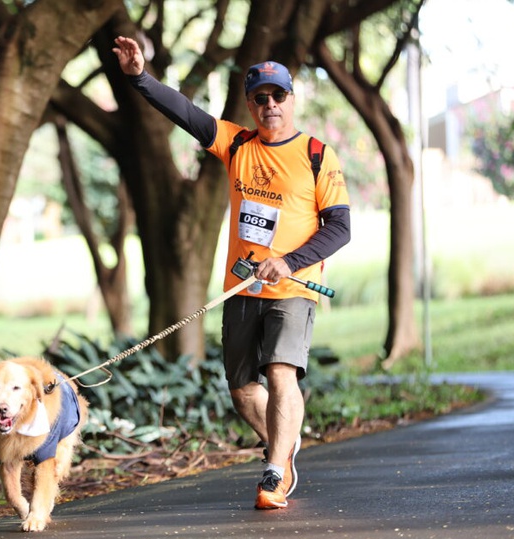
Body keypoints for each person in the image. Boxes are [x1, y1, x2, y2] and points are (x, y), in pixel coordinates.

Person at [112, 36, 351, 510]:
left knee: (281, 373)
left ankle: (275, 470)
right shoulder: (237, 144)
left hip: (291, 288)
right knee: (244, 393)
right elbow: (185, 112)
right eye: (260, 98)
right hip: (241, 288)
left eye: (278, 95)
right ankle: (283, 444)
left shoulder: (317, 154)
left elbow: (340, 228)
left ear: (291, 99)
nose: (270, 105)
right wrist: (139, 77)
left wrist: (288, 261)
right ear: (250, 105)